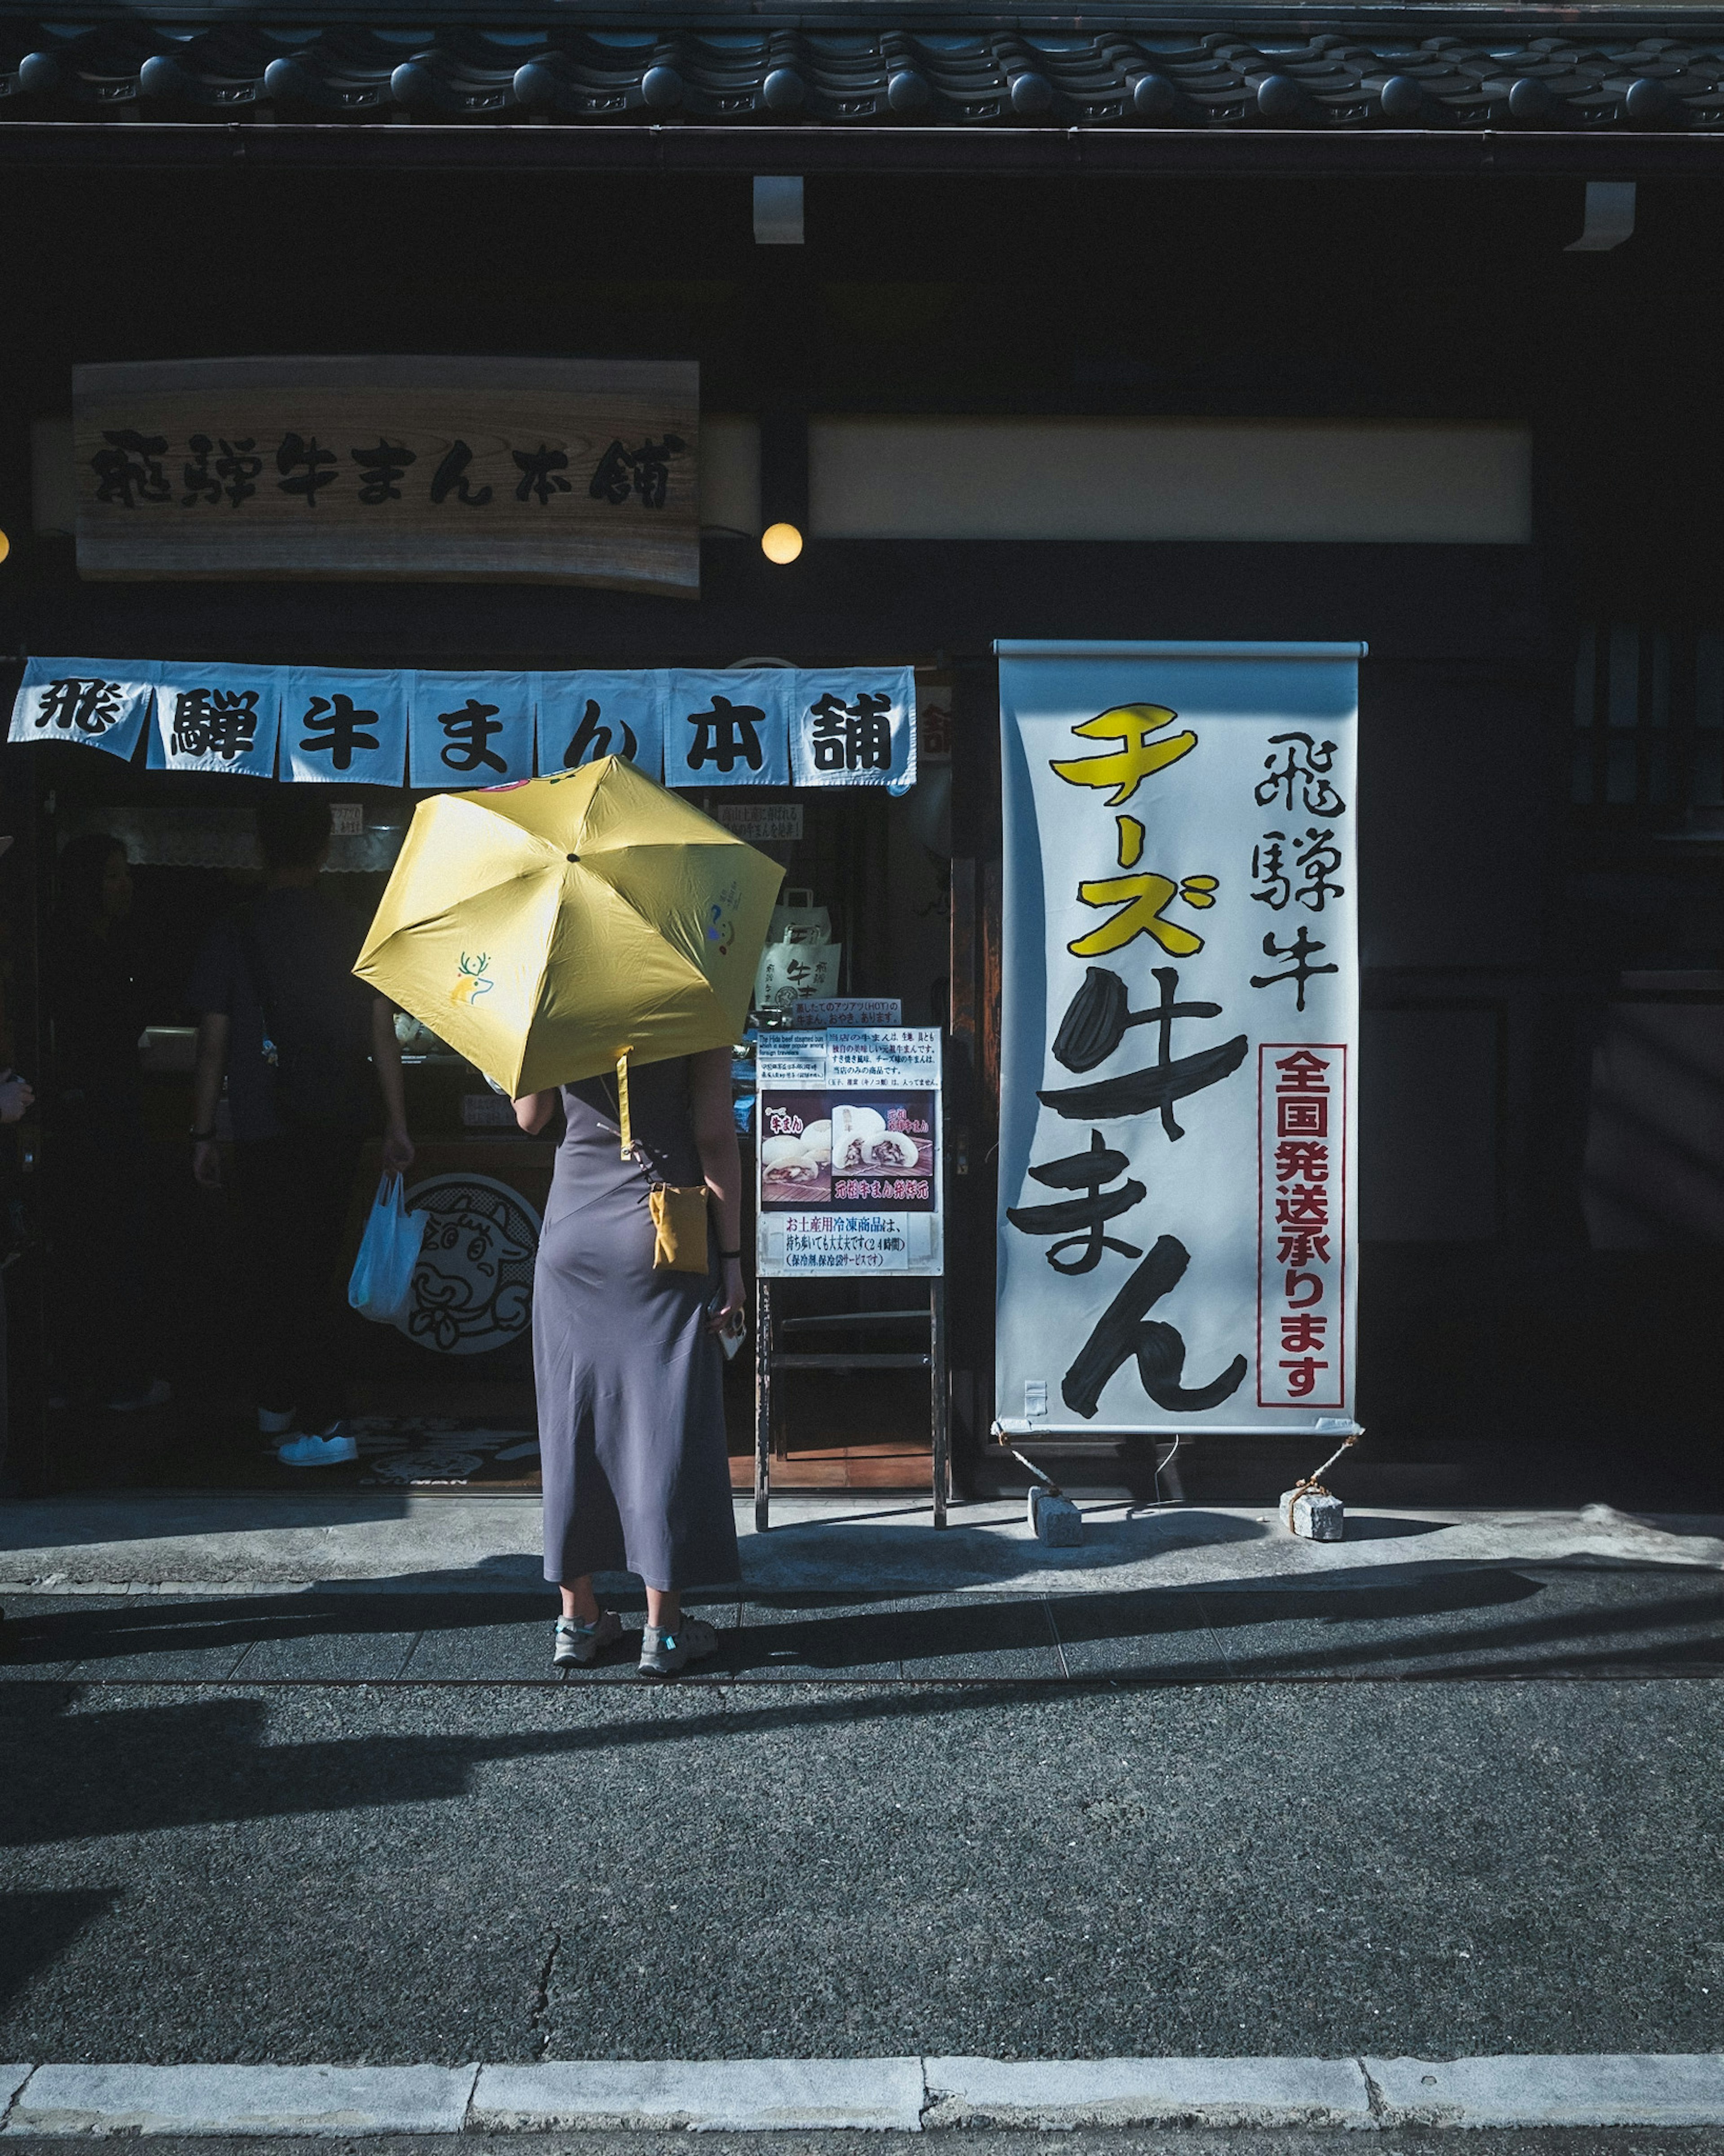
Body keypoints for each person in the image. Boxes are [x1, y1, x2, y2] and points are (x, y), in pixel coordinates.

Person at [187, 793, 413, 1468]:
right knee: (315, 1265)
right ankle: (286, 1403)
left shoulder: (237, 927)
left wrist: (201, 1132)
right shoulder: (352, 926)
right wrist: (398, 1122)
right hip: (339, 1118)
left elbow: (212, 1042)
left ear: (261, 848)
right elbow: (384, 1033)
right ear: (325, 849)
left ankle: (320, 1419)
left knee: (276, 1266)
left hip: (263, 1121)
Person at [515, 1047, 745, 1677]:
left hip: (571, 1230)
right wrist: (733, 1258)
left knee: (571, 1421)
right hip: (661, 1227)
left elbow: (530, 1117)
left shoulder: (555, 994)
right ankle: (663, 1631)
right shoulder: (692, 993)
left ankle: (578, 1618)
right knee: (660, 1422)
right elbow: (713, 1135)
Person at [45, 833, 171, 1415]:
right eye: (114, 875)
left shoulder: (111, 946)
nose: (127, 885)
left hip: (103, 1110)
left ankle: (94, 1378)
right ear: (87, 886)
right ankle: (108, 1378)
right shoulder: (73, 952)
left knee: (103, 1246)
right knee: (103, 1245)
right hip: (91, 1115)